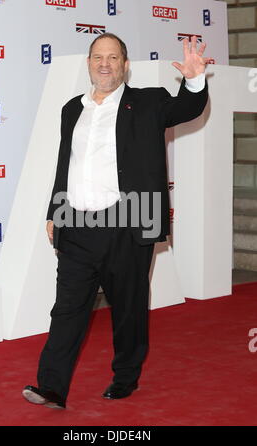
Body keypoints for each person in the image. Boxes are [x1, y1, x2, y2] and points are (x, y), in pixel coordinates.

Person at [22, 33, 210, 409]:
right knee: (67, 309)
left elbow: (187, 108)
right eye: (97, 57)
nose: (104, 64)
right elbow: (67, 165)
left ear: (125, 64)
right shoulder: (71, 108)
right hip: (75, 225)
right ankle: (51, 386)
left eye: (112, 57)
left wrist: (194, 81)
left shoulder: (149, 102)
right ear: (89, 63)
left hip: (127, 224)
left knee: (128, 308)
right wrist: (54, 212)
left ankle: (126, 376)